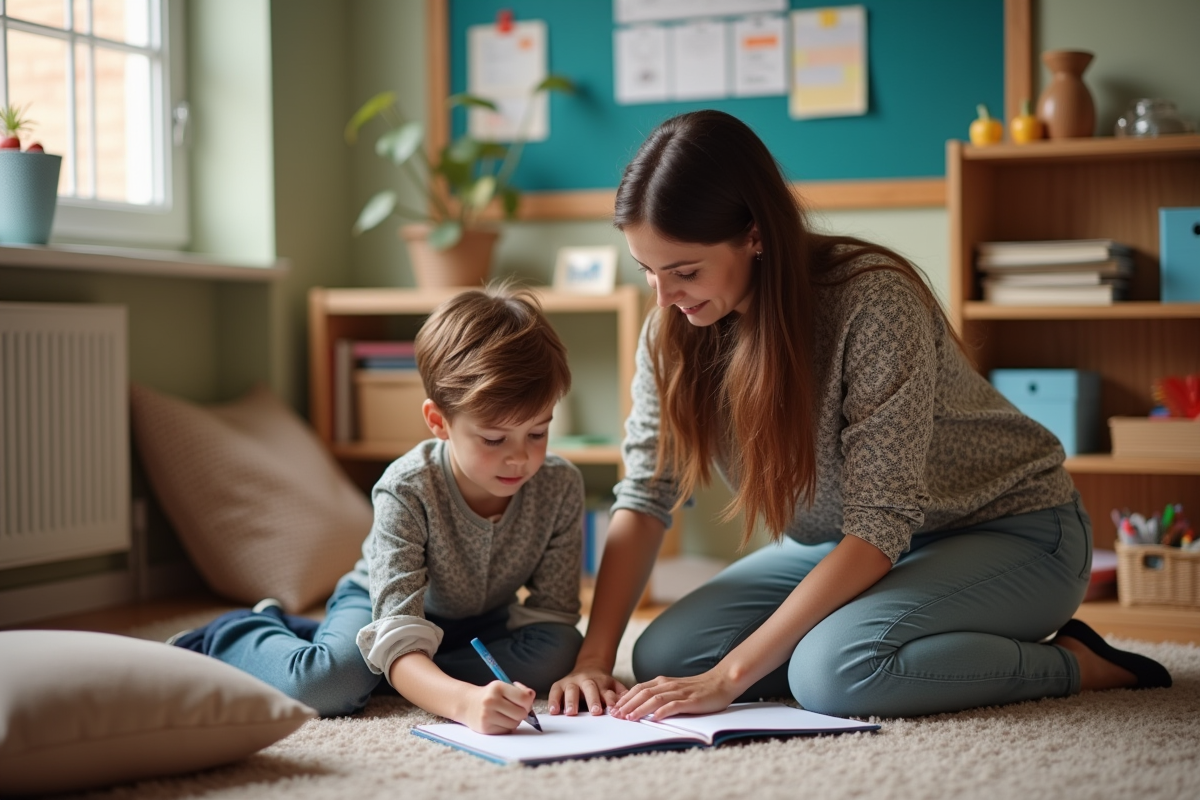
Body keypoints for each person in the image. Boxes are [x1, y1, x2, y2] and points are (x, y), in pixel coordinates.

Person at [547, 109, 1171, 723]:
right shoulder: (671, 329)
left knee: (835, 671)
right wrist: (595, 657)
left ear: (755, 234)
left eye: (684, 271)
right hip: (850, 547)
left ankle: (1076, 663)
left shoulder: (873, 301)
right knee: (666, 651)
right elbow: (645, 494)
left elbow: (881, 521)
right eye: (647, 271)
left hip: (1012, 530)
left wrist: (728, 678)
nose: (664, 297)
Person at [172, 284, 586, 734]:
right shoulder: (407, 487)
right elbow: (398, 623)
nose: (520, 457)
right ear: (438, 422)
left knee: (558, 651)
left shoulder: (560, 486)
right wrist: (462, 702)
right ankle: (236, 633)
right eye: (493, 438)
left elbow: (553, 617)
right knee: (329, 685)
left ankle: (392, 669)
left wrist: (414, 667)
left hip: (480, 622)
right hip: (381, 606)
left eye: (538, 433)